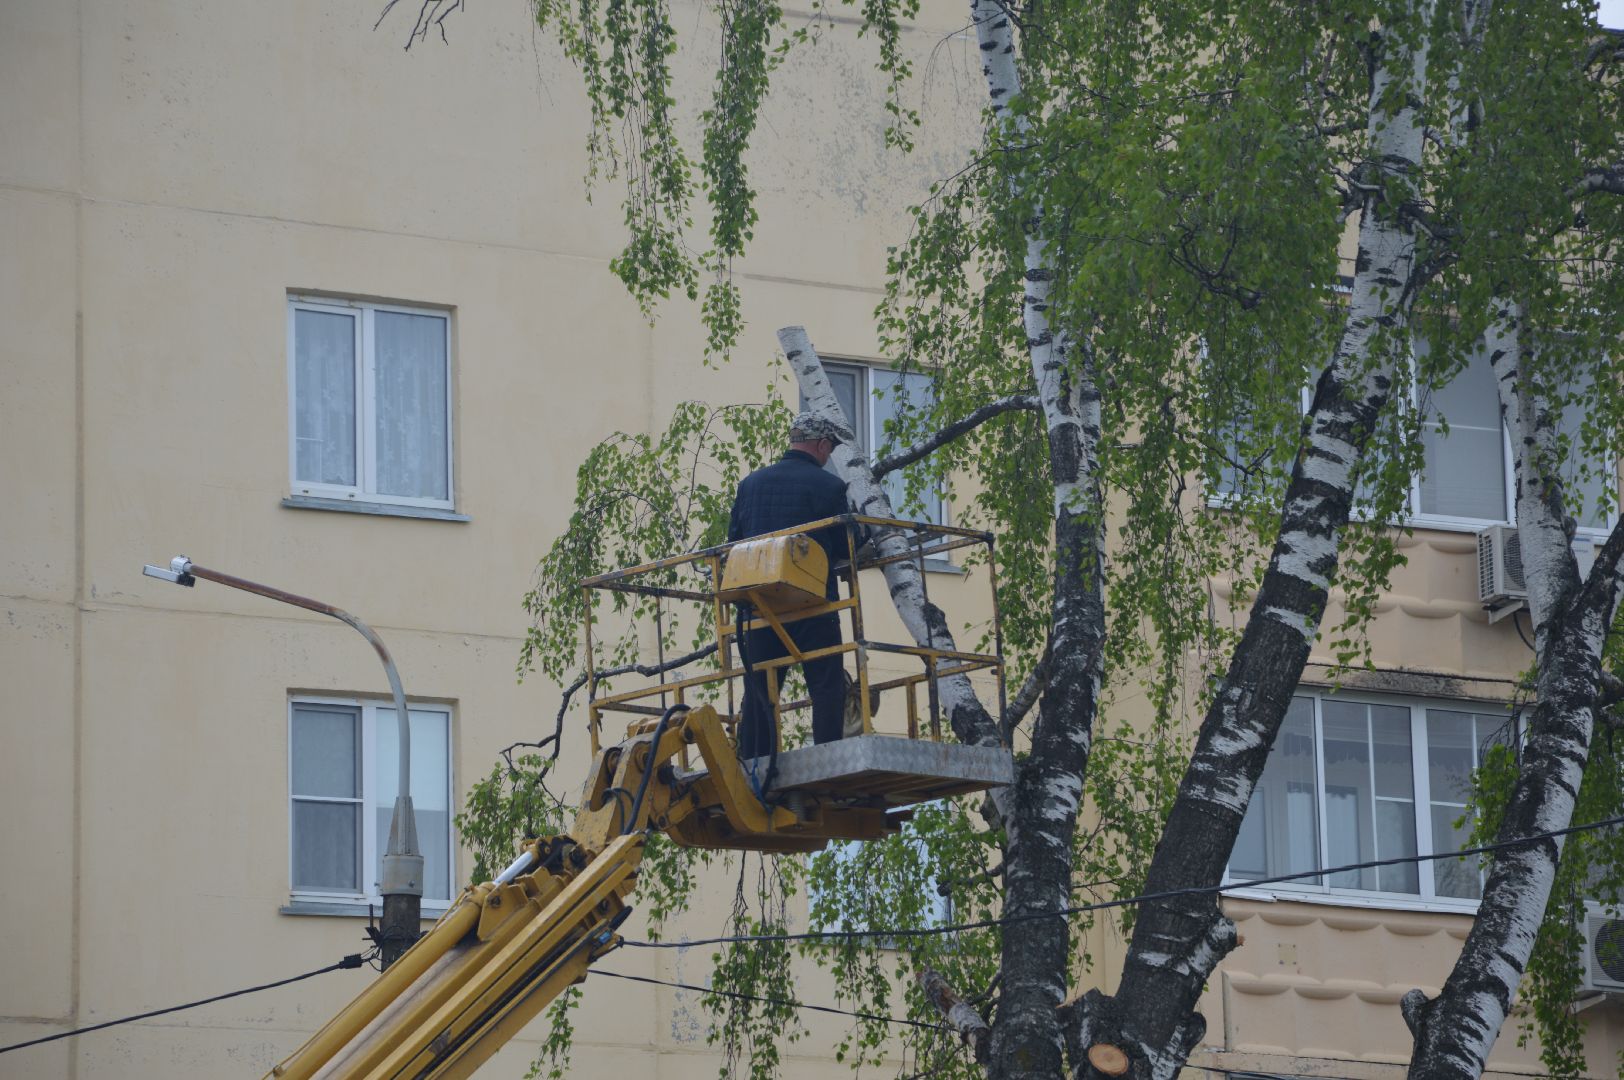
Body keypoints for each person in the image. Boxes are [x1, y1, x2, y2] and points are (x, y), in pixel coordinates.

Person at [727, 412, 853, 758]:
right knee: (827, 686)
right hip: (813, 605)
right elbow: (846, 545)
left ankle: (755, 766)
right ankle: (828, 759)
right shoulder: (828, 486)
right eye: (829, 450)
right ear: (822, 445)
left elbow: (734, 541)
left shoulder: (751, 484)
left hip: (760, 605)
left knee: (760, 691)